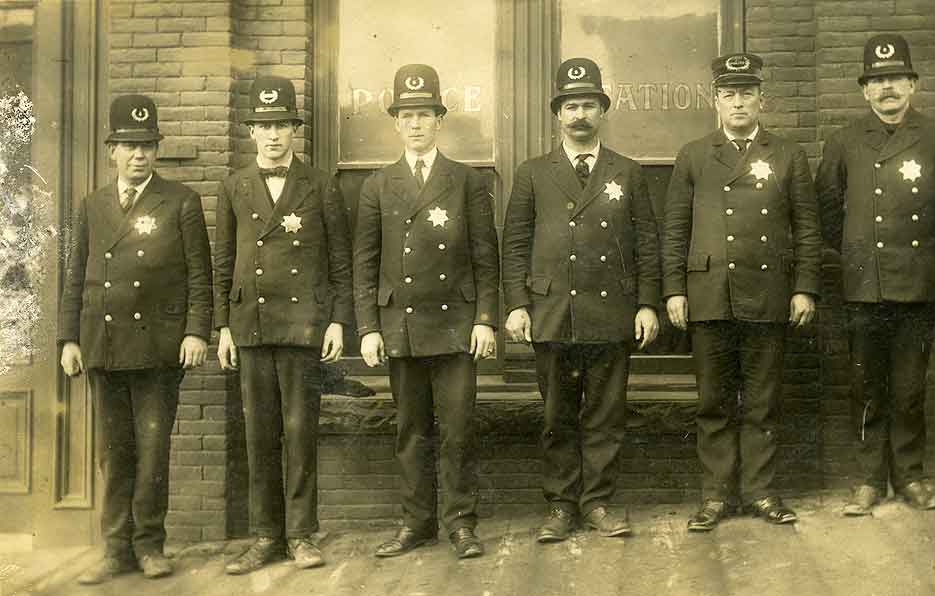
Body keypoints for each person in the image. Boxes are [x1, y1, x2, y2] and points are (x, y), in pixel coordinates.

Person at [816, 34, 935, 516]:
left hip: (919, 282)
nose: (887, 87)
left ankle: (909, 477)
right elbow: (829, 209)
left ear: (913, 84)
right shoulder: (844, 141)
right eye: (877, 79)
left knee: (910, 386)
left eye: (895, 78)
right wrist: (855, 253)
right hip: (864, 284)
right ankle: (869, 480)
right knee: (866, 385)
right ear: (864, 90)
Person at [502, 57, 661, 542]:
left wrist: (648, 303)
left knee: (606, 416)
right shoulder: (533, 173)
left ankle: (598, 503)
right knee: (557, 417)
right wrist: (516, 305)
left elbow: (647, 243)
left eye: (588, 105)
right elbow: (514, 242)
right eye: (571, 106)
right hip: (551, 314)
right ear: (558, 114)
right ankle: (560, 506)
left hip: (611, 312)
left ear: (602, 111)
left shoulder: (628, 172)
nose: (579, 115)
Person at [663, 53, 821, 531]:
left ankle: (759, 492)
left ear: (761, 100)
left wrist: (805, 288)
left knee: (761, 401)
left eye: (746, 93)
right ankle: (715, 495)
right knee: (712, 401)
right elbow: (675, 229)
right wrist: (674, 290)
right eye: (728, 94)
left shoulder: (787, 154)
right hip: (709, 293)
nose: (738, 102)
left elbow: (808, 229)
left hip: (767, 293)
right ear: (716, 101)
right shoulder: (693, 155)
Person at [59, 94, 213, 584]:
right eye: (128, 144)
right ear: (112, 150)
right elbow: (74, 276)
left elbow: (199, 277)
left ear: (156, 149)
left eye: (146, 144)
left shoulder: (181, 201)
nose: (137, 154)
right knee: (113, 451)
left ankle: (150, 546)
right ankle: (115, 549)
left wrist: (195, 332)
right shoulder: (92, 205)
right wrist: (68, 339)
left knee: (152, 452)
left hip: (157, 349)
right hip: (103, 346)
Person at [353, 64, 499, 559]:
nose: (416, 124)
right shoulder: (377, 185)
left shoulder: (465, 181)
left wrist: (484, 318)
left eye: (425, 114)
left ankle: (461, 523)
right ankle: (416, 523)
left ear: (440, 119)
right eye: (407, 115)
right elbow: (365, 262)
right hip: (403, 327)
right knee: (411, 430)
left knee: (458, 429)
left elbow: (486, 256)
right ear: (396, 123)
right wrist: (369, 328)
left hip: (456, 325)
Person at [214, 75, 354, 573]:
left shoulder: (320, 184)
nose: (273, 135)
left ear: (295, 130)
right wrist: (222, 328)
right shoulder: (233, 186)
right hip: (250, 323)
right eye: (263, 126)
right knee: (259, 433)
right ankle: (265, 535)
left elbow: (341, 261)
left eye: (282, 125)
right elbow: (223, 259)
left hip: (303, 326)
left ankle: (300, 535)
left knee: (299, 432)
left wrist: (338, 321)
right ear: (251, 132)